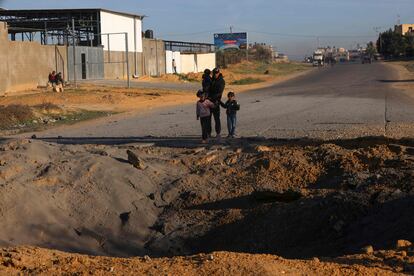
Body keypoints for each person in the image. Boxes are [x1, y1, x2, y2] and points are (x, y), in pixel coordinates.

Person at [208, 67, 225, 138]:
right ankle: (208, 133)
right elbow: (207, 89)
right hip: (209, 101)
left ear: (219, 73)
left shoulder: (221, 81)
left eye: (216, 73)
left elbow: (219, 92)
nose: (215, 74)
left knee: (216, 118)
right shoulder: (211, 80)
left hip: (216, 102)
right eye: (214, 73)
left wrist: (212, 97)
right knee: (208, 118)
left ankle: (218, 133)